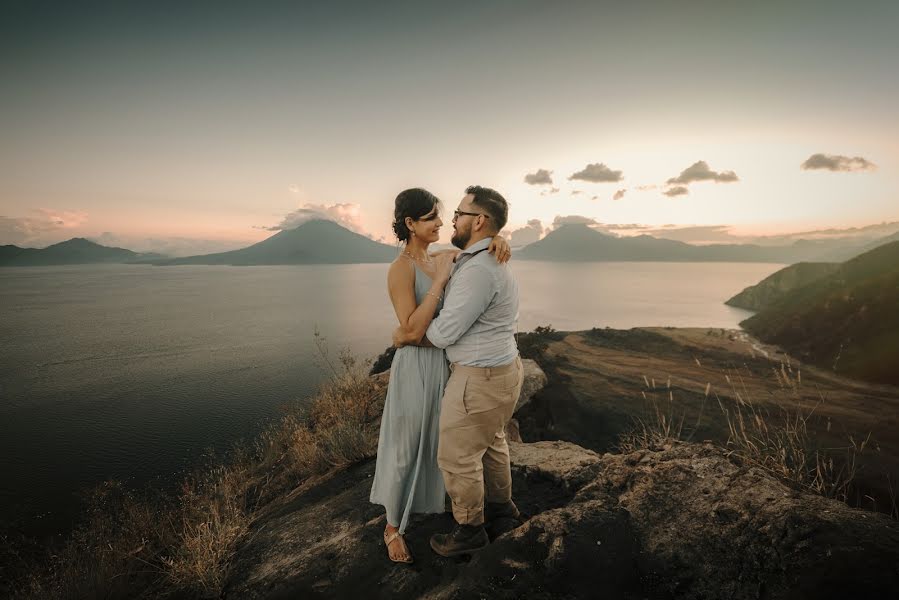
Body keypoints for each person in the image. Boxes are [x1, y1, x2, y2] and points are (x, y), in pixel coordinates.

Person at [370, 188, 511, 564]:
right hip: (416, 367)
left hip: (446, 366)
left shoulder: (444, 257)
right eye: (430, 217)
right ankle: (391, 527)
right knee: (406, 447)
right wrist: (437, 283)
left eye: (440, 215)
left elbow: (482, 246)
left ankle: (443, 505)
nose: (438, 223)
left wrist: (500, 240)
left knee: (440, 442)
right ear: (410, 224)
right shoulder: (401, 268)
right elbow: (412, 330)